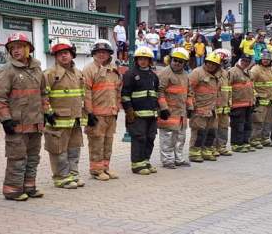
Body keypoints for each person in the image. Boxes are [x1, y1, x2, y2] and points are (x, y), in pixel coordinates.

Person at [0, 33, 46, 201]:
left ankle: (29, 186)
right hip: (16, 125)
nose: (15, 51)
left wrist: (47, 112)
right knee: (17, 158)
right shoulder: (6, 71)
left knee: (33, 158)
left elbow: (44, 93)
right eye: (12, 48)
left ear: (28, 48)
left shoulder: (37, 69)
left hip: (36, 124)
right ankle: (13, 190)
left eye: (19, 47)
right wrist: (5, 119)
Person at [43, 38, 85, 189]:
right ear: (55, 56)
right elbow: (43, 95)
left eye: (66, 53)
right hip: (58, 121)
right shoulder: (49, 74)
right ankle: (61, 177)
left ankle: (73, 174)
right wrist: (47, 112)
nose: (63, 56)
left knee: (74, 149)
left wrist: (85, 116)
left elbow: (82, 95)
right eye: (59, 54)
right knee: (59, 151)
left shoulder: (78, 74)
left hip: (74, 121)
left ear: (72, 54)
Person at [82, 40, 122, 181]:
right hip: (96, 115)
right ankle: (96, 170)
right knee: (96, 143)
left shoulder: (114, 69)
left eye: (104, 52)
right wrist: (89, 112)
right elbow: (86, 92)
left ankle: (105, 167)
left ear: (109, 54)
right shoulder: (89, 69)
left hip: (110, 113)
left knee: (108, 143)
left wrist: (116, 109)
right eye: (98, 52)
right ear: (94, 53)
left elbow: (117, 91)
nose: (101, 54)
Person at [122, 47, 160, 175]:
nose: (143, 61)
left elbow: (156, 94)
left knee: (150, 138)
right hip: (137, 115)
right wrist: (129, 110)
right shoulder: (130, 74)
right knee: (139, 138)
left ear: (150, 61)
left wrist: (158, 110)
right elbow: (125, 94)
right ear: (136, 60)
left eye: (145, 59)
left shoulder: (154, 76)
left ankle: (145, 161)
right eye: (140, 59)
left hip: (151, 114)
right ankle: (137, 165)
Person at [157, 48, 192, 168]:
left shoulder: (185, 75)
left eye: (180, 61)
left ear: (184, 63)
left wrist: (190, 107)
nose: (177, 63)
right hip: (168, 112)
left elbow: (189, 92)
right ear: (171, 60)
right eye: (175, 60)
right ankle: (167, 160)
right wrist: (163, 108)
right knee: (167, 138)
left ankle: (179, 159)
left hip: (181, 113)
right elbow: (159, 92)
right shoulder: (164, 73)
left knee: (180, 137)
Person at [188, 52, 221, 162]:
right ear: (205, 62)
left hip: (212, 110)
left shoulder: (216, 75)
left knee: (211, 132)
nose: (211, 65)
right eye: (209, 63)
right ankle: (194, 153)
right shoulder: (197, 72)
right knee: (198, 132)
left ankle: (206, 151)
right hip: (199, 109)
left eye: (214, 64)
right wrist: (193, 105)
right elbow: (189, 89)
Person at [250, 50, 272, 149]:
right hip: (260, 101)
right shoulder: (255, 69)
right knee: (258, 121)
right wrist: (255, 95)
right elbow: (250, 83)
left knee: (268, 121)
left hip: (270, 101)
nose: (265, 61)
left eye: (267, 59)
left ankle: (265, 138)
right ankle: (254, 139)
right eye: (264, 59)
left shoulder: (271, 70)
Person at [229, 55, 255, 152]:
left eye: (248, 61)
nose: (246, 63)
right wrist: (230, 101)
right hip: (237, 104)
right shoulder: (233, 71)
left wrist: (253, 99)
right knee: (237, 125)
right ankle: (236, 144)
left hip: (248, 103)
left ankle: (245, 142)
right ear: (240, 60)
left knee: (247, 125)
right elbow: (228, 87)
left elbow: (251, 87)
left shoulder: (248, 72)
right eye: (244, 61)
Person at [212, 48, 233, 156]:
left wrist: (230, 101)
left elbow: (228, 88)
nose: (222, 64)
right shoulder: (210, 73)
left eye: (224, 61)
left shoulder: (226, 73)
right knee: (213, 127)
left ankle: (222, 147)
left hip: (225, 106)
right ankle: (212, 147)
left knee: (224, 127)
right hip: (214, 106)